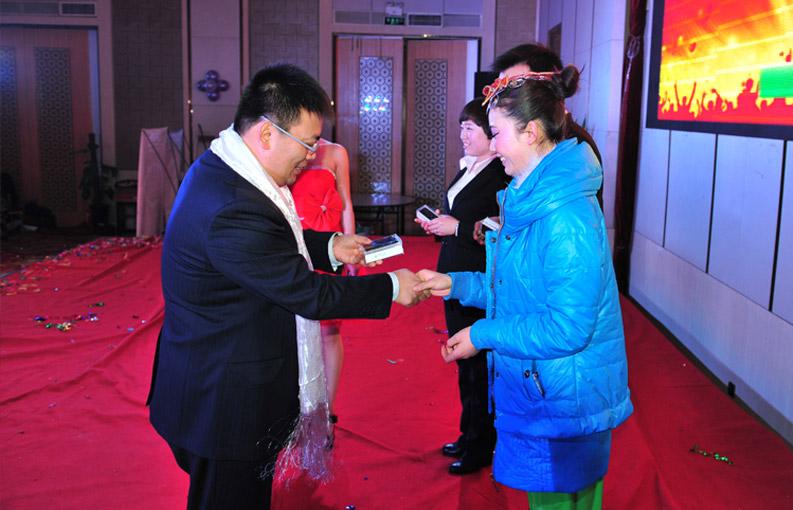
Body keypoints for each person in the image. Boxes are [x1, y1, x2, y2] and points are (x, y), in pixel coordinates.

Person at [147, 63, 427, 510]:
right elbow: (308, 293)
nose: (312, 156)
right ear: (266, 133)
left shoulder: (227, 167)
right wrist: (392, 287)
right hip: (224, 404)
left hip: (214, 377)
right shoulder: (233, 204)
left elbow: (271, 243)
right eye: (308, 143)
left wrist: (330, 245)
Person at [415, 67, 632, 510]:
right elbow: (518, 290)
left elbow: (568, 328)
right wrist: (456, 283)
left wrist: (482, 334)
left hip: (564, 399)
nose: (492, 146)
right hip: (546, 388)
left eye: (497, 134)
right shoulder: (531, 198)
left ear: (531, 133)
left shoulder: (564, 216)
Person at [415, 98, 509, 475]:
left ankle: (480, 445)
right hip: (454, 274)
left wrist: (458, 227)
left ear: (491, 133)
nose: (463, 135)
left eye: (471, 128)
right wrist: (442, 223)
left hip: (478, 278)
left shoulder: (502, 174)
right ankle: (467, 433)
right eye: (461, 128)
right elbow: (461, 216)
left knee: (478, 362)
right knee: (462, 360)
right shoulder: (470, 167)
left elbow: (499, 228)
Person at [491, 42, 604, 213]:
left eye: (514, 88)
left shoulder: (574, 143)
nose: (503, 99)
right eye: (500, 91)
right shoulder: (528, 136)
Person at [289, 138, 356, 423]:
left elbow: (346, 203)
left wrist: (352, 250)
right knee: (293, 331)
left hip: (330, 247)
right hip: (294, 248)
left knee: (330, 331)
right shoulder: (284, 148)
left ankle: (328, 410)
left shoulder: (336, 152)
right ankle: (297, 408)